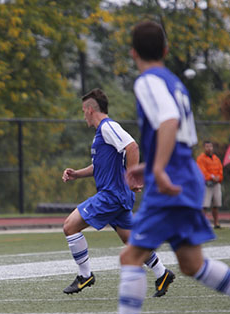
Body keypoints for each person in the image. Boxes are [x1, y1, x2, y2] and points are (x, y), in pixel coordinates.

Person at [80, 20, 230, 314]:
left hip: (170, 177)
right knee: (190, 262)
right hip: (184, 170)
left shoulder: (147, 81)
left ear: (132, 53)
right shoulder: (175, 82)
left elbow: (169, 121)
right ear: (167, 51)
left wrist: (157, 168)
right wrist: (152, 162)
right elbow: (181, 130)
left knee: (130, 256)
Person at [61, 88, 175, 297]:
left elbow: (132, 147)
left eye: (83, 110)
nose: (83, 114)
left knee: (69, 226)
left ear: (89, 109)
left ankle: (85, 275)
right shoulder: (102, 133)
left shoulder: (108, 127)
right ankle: (162, 273)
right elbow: (99, 166)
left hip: (111, 195)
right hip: (118, 196)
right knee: (131, 240)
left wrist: (132, 177)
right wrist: (77, 174)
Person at [196, 141, 223, 228]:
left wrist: (219, 177)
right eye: (207, 146)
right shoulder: (201, 158)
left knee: (216, 204)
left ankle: (216, 223)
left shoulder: (216, 159)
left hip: (216, 184)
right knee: (205, 205)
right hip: (206, 184)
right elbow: (202, 171)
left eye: (210, 146)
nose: (209, 148)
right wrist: (211, 177)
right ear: (204, 148)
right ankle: (201, 223)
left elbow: (220, 170)